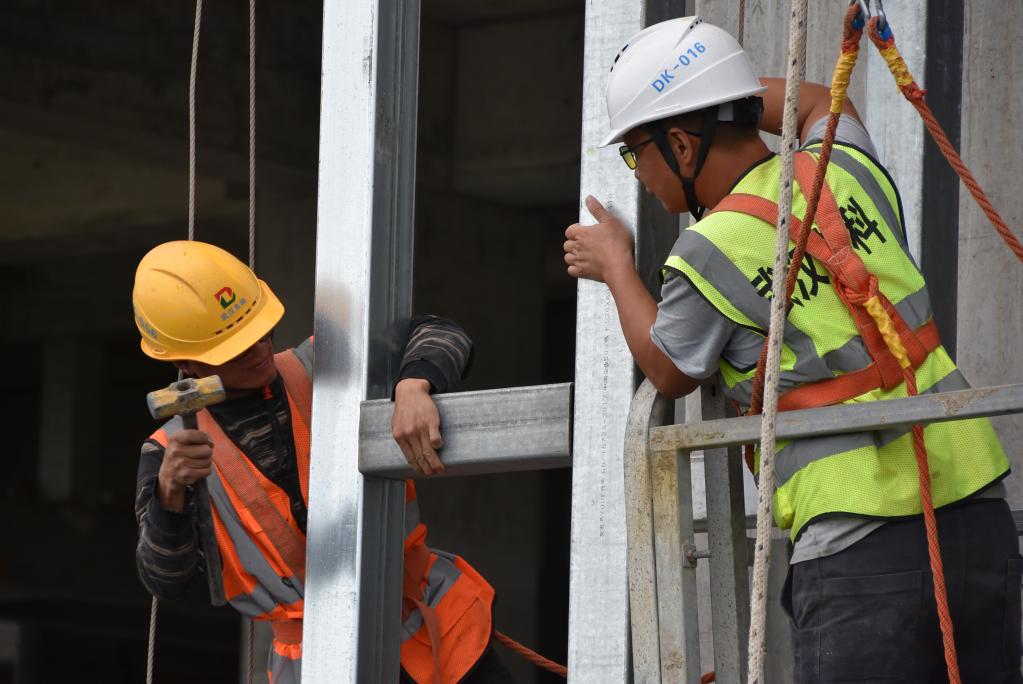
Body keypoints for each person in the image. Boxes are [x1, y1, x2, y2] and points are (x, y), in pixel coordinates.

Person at [563, 16, 1021, 682]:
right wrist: (726, 94)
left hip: (857, 546)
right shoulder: (842, 166)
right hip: (975, 511)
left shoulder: (706, 250)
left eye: (637, 155)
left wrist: (615, 267)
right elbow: (814, 101)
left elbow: (669, 369)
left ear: (682, 146)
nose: (643, 176)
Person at [133, 240, 511, 683]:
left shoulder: (326, 364)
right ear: (186, 363)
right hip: (323, 663)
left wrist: (414, 384)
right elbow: (165, 580)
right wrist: (170, 495)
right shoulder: (170, 453)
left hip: (439, 631)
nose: (258, 350)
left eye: (260, 331)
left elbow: (440, 331)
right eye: (235, 347)